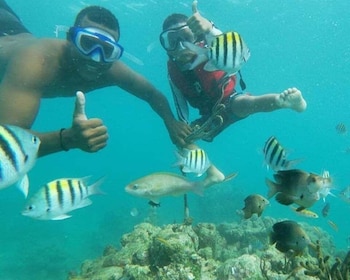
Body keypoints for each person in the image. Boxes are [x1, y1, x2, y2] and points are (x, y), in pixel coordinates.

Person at [0, 0, 192, 158]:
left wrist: (171, 123)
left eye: (107, 51)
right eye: (87, 43)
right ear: (69, 38)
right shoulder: (37, 62)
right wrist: (67, 139)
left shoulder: (110, 70)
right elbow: (4, 145)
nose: (95, 57)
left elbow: (151, 94)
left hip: (12, 27)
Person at [160, 2, 307, 144]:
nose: (181, 45)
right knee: (183, 138)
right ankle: (200, 163)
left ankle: (285, 102)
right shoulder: (173, 72)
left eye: (186, 37)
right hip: (206, 117)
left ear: (196, 35)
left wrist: (209, 28)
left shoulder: (210, 45)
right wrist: (183, 124)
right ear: (166, 48)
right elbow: (179, 102)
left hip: (229, 100)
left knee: (247, 104)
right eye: (171, 41)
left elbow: (225, 43)